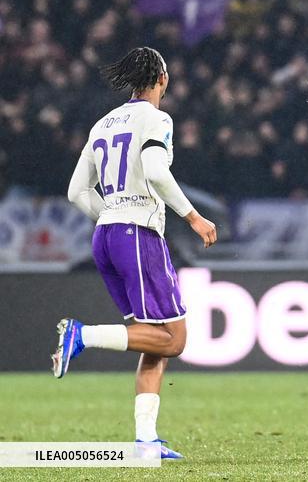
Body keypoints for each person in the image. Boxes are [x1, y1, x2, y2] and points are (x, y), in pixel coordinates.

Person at [56, 47, 218, 460]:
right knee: (174, 339)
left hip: (106, 235)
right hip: (137, 233)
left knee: (154, 341)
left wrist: (109, 216)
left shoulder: (102, 124)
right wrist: (194, 218)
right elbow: (156, 171)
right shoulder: (155, 118)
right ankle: (82, 334)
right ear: (162, 77)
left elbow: (76, 192)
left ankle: (146, 441)